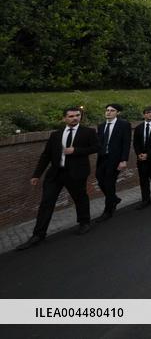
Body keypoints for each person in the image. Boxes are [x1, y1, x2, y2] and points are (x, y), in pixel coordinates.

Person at [17, 107, 99, 250]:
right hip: (55, 174)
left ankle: (84, 222)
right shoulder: (56, 134)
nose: (75, 118)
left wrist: (76, 150)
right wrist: (37, 174)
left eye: (77, 115)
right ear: (64, 118)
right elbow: (46, 155)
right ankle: (38, 234)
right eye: (71, 116)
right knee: (46, 202)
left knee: (80, 198)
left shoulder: (88, 132)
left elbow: (97, 147)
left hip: (76, 173)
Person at [95, 103, 131, 222]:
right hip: (102, 158)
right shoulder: (101, 126)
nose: (108, 112)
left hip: (115, 159)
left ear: (118, 113)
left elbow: (126, 143)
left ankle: (108, 211)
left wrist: (123, 160)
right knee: (100, 180)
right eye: (107, 110)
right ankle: (114, 198)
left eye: (112, 110)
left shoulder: (124, 125)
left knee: (109, 183)